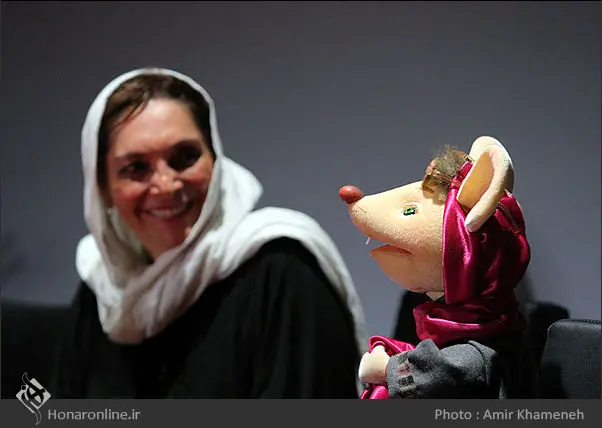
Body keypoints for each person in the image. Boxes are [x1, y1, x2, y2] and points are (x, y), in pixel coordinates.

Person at [50, 67, 368, 398]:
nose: (166, 185)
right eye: (136, 168)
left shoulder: (282, 268)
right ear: (103, 189)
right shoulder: (103, 286)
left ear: (215, 160)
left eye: (184, 157)